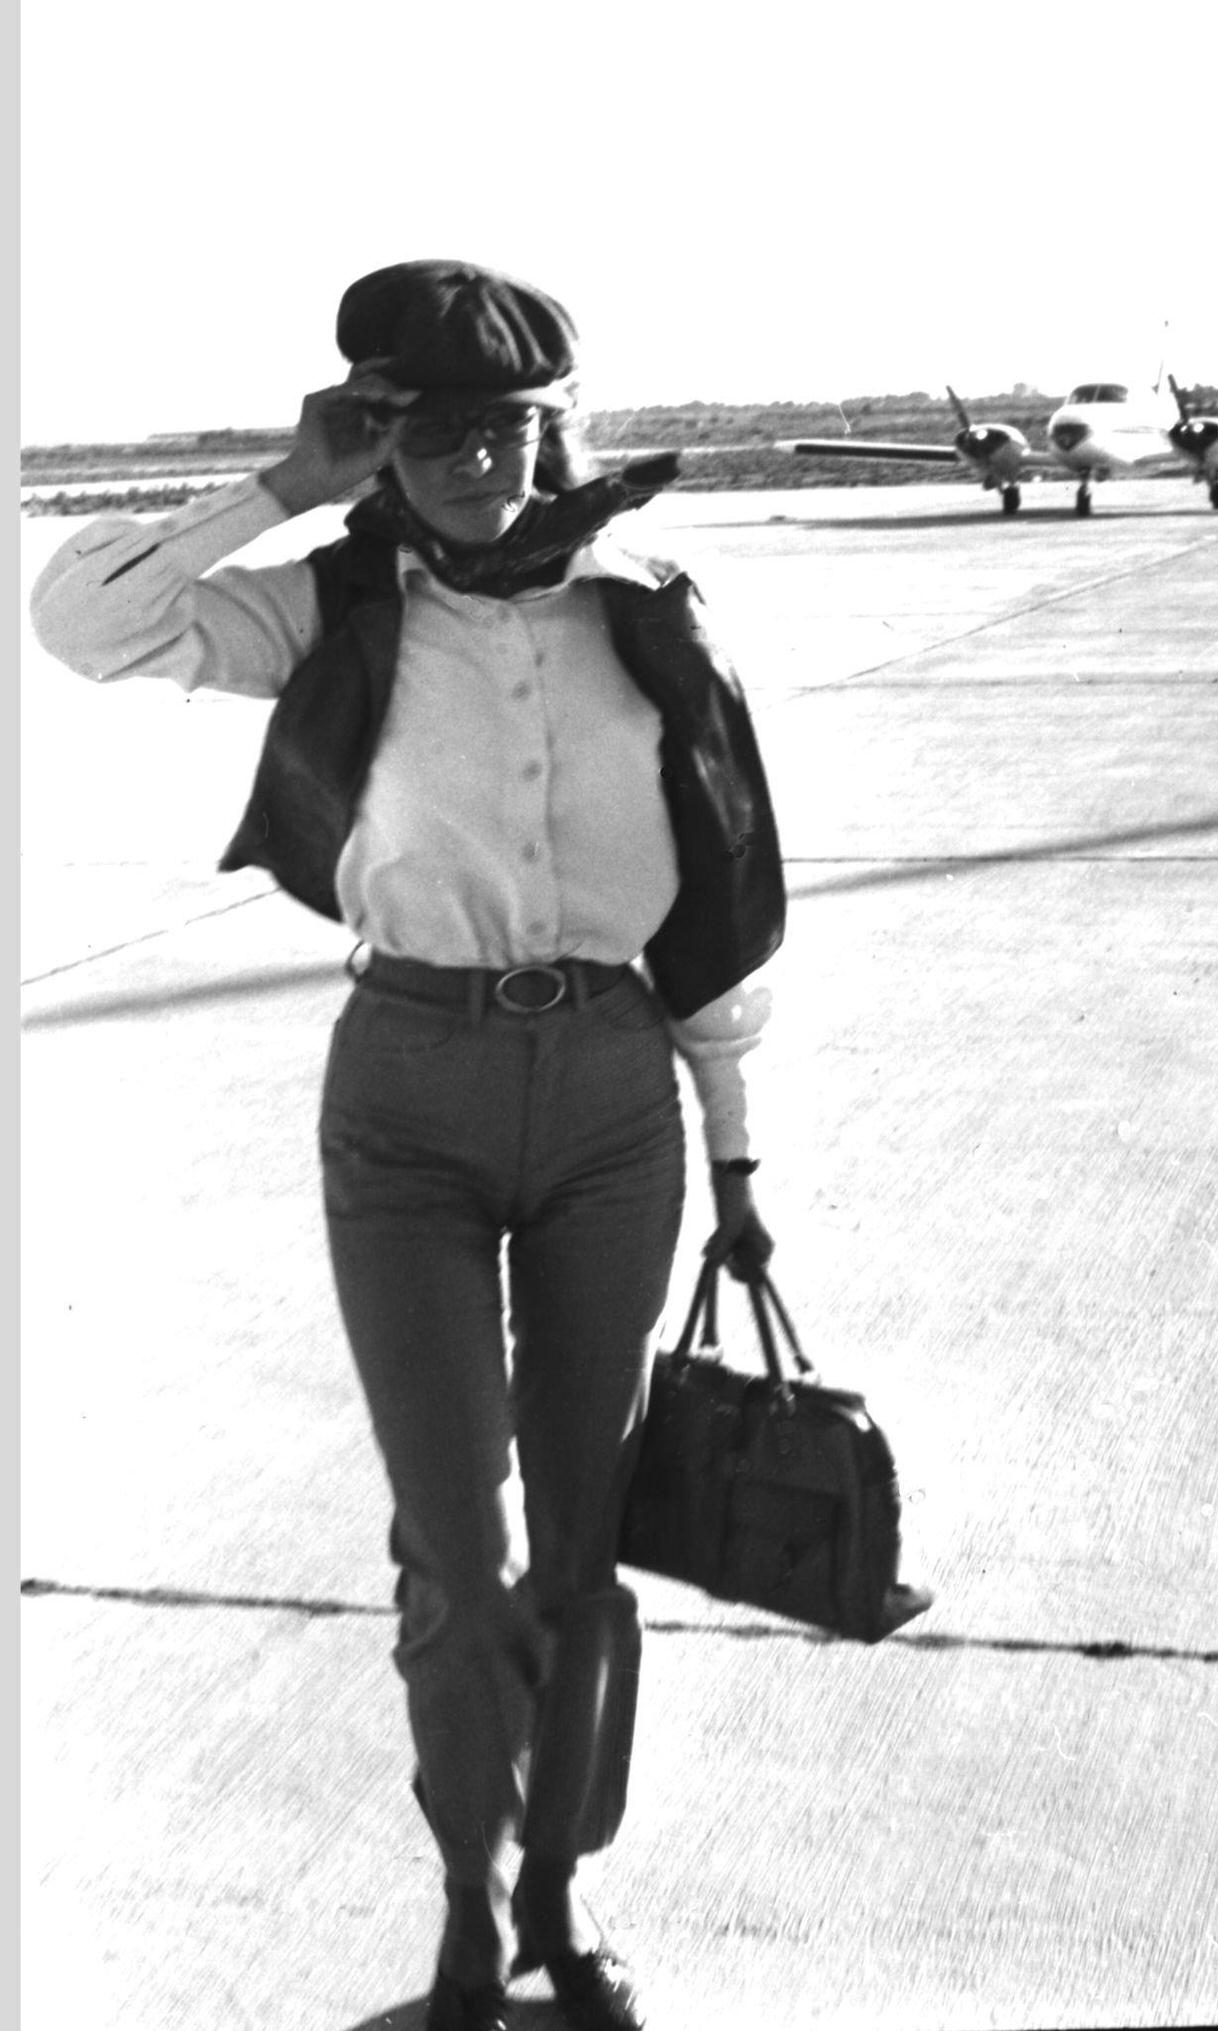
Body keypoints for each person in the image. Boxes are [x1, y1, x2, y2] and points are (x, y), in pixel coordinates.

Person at [31, 259, 787, 2031]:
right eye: (436, 434)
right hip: (408, 1098)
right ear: (380, 437)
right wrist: (285, 486)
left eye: (518, 430)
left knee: (583, 1543)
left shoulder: (654, 609)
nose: (486, 466)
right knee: (453, 1550)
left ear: (565, 429)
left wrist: (736, 1162)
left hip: (616, 1100)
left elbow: (726, 899)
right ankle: (464, 1894)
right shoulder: (329, 611)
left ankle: (561, 1900)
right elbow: (84, 627)